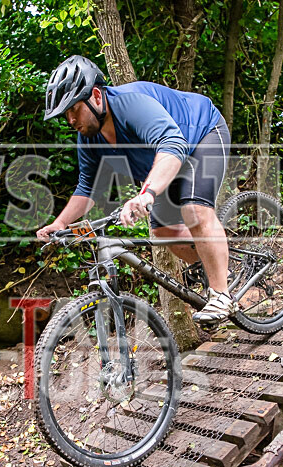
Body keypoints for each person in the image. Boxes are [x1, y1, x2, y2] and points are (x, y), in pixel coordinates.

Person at [35, 55, 234, 323]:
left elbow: (173, 144)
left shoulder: (131, 105)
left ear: (95, 96)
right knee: (162, 231)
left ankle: (221, 294)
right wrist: (58, 224)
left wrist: (147, 194)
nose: (70, 119)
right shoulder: (89, 137)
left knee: (194, 209)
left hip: (202, 135)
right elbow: (87, 188)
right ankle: (214, 267)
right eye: (65, 114)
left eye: (74, 109)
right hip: (165, 162)